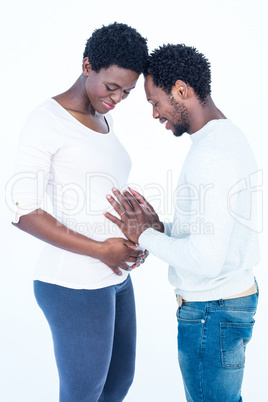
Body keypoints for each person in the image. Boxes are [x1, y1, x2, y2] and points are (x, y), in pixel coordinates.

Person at [104, 44, 260, 402]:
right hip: (223, 305)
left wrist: (142, 234)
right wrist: (162, 230)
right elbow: (213, 232)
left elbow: (205, 259)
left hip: (211, 312)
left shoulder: (212, 155)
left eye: (154, 102)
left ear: (181, 90)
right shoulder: (224, 137)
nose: (155, 114)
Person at [10, 22, 148, 402]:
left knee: (118, 384)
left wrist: (137, 237)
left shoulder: (106, 120)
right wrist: (102, 250)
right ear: (88, 65)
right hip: (72, 282)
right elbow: (22, 212)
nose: (117, 97)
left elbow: (97, 194)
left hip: (115, 276)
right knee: (83, 394)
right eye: (112, 86)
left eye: (127, 91)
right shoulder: (47, 120)